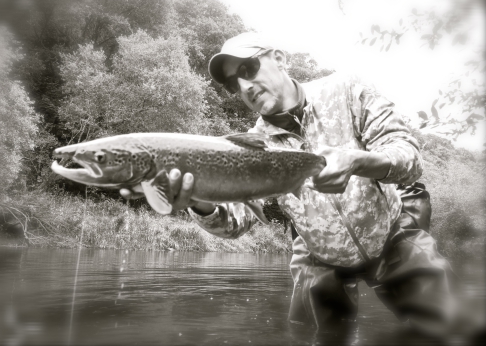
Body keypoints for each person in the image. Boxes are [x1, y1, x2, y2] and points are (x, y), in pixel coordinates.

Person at [120, 32, 459, 339]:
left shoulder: (347, 90)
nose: (244, 86)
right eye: (233, 83)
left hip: (391, 234)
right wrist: (199, 200)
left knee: (446, 327)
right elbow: (235, 223)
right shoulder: (250, 146)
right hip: (319, 256)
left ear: (279, 59)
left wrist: (358, 161)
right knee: (309, 336)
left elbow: (409, 157)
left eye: (249, 68)